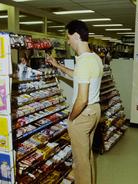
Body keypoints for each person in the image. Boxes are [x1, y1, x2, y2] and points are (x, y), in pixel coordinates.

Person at [46, 20, 103, 184]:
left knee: (81, 161)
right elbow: (78, 76)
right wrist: (58, 66)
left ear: (76, 36)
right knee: (86, 155)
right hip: (94, 110)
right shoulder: (94, 58)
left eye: (68, 37)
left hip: (83, 114)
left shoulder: (84, 61)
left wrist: (72, 118)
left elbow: (82, 98)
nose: (68, 41)